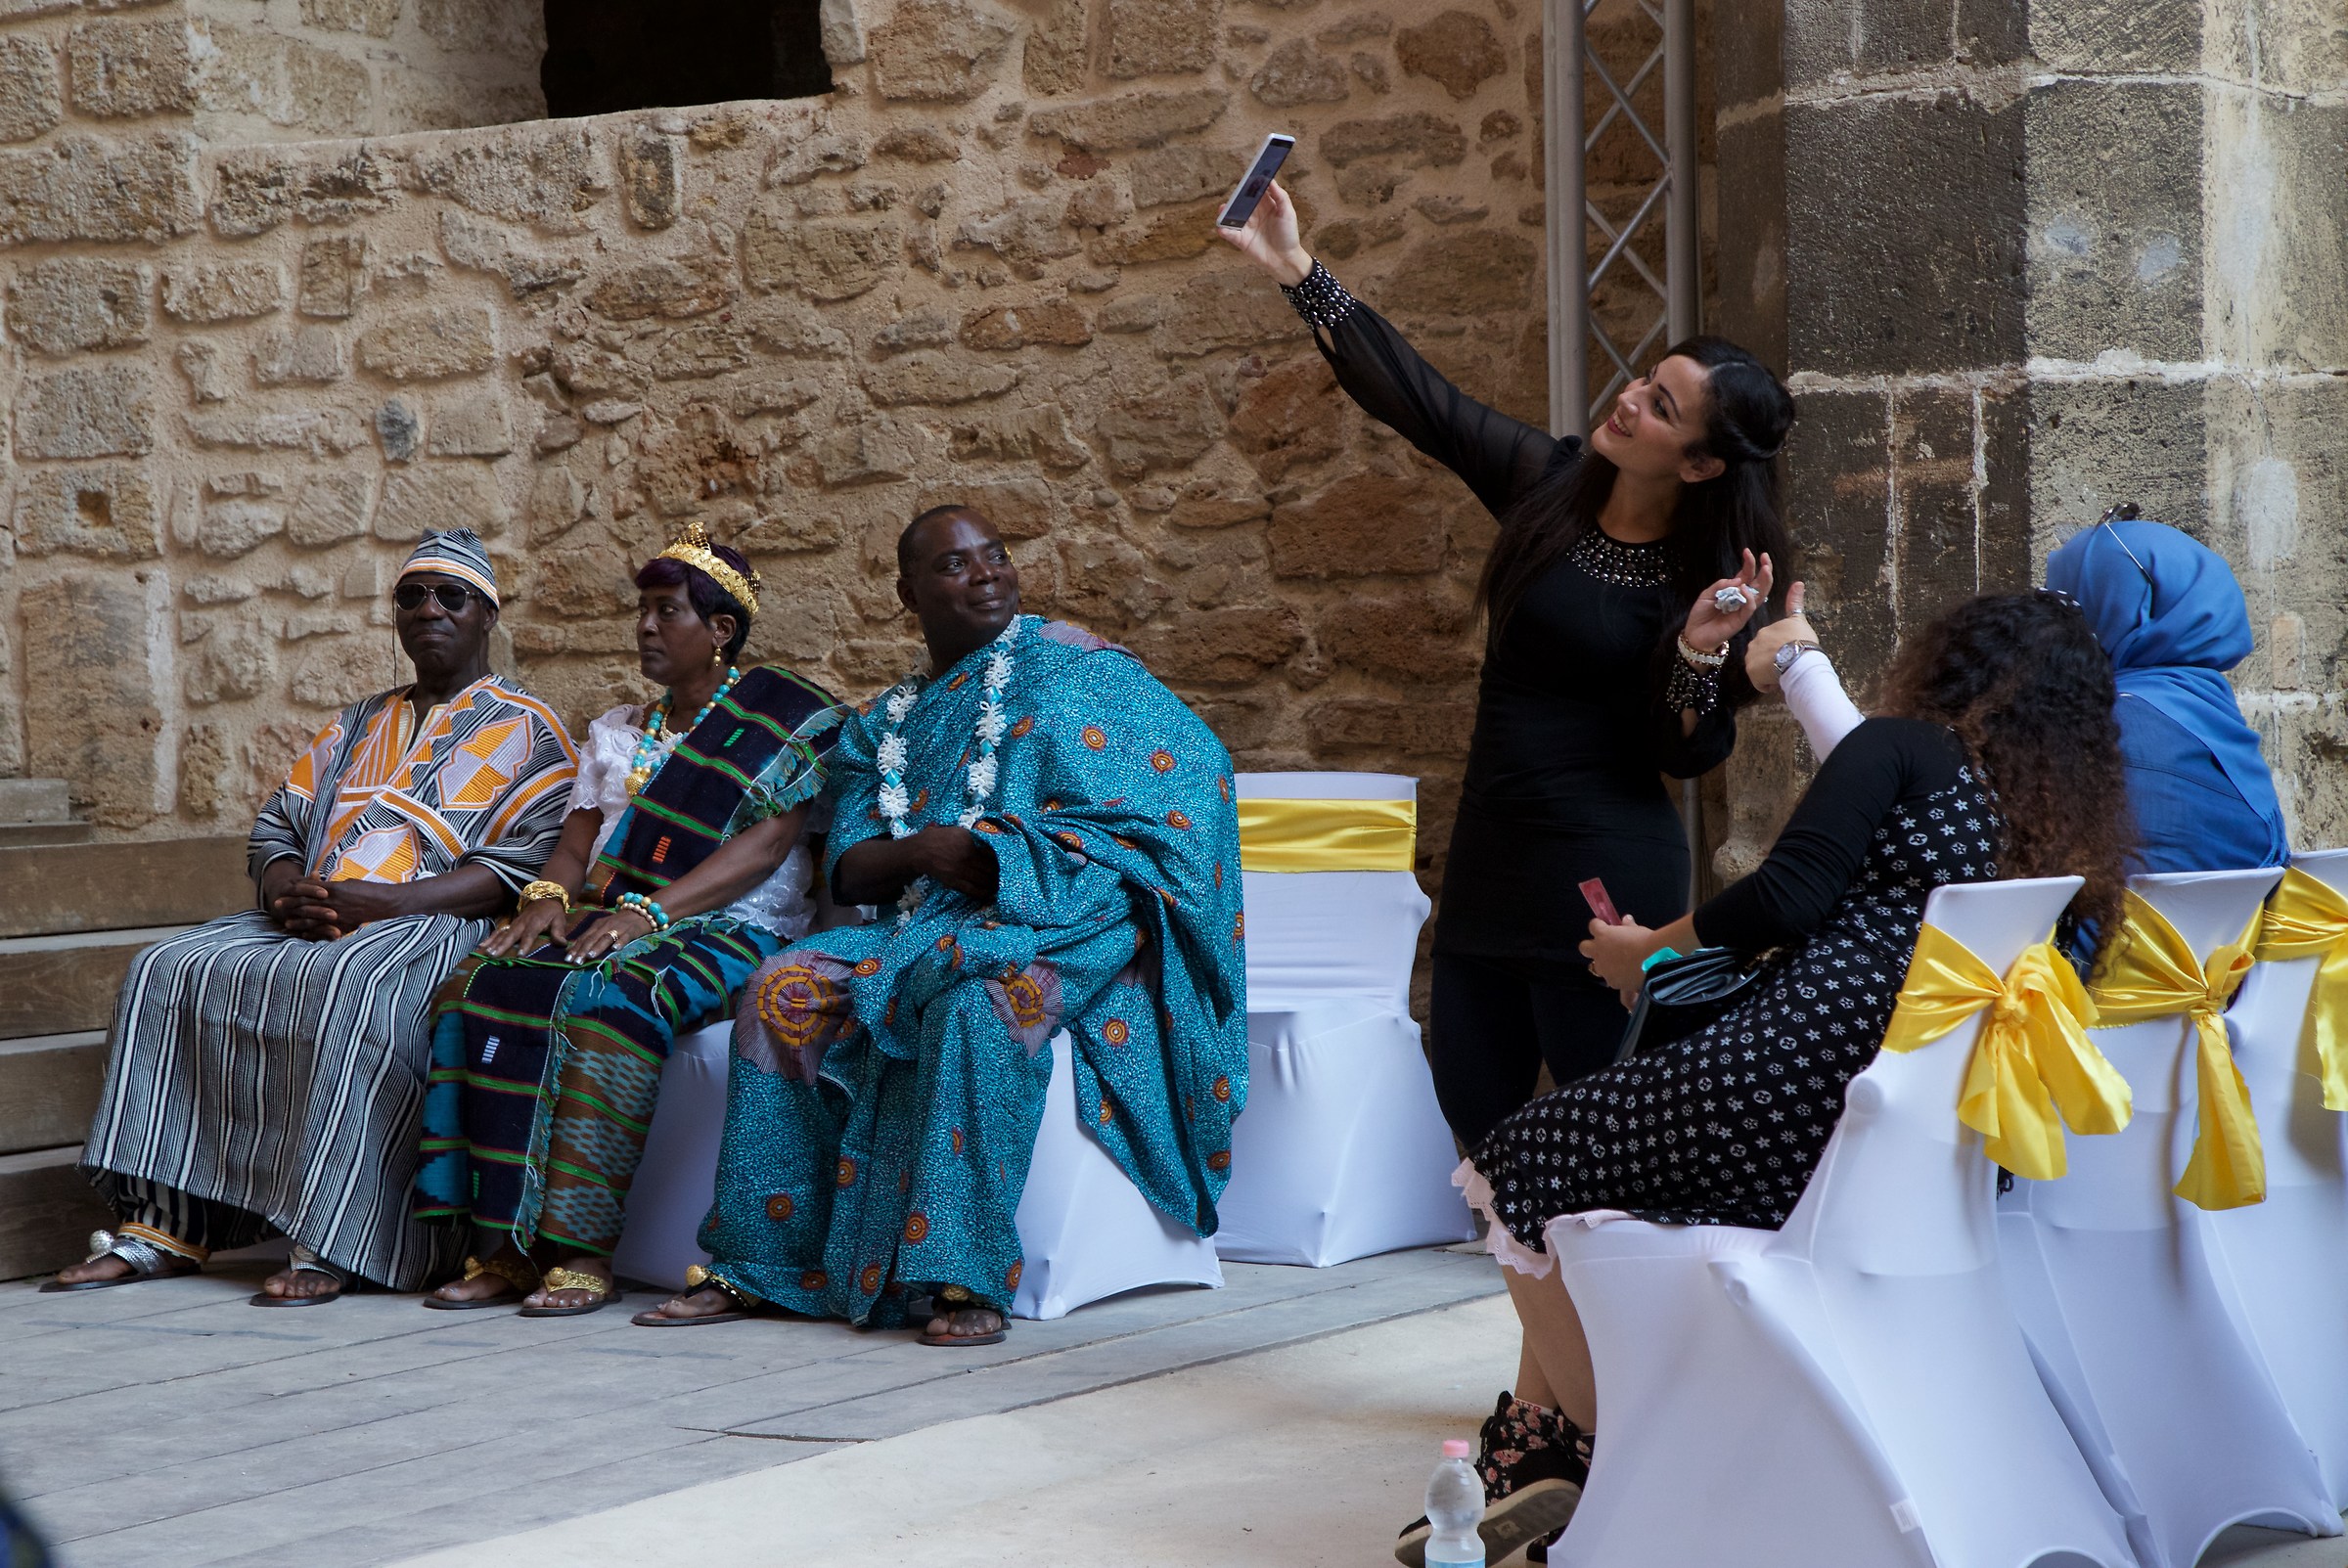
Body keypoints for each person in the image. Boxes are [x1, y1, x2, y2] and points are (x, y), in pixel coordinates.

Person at [1398, 593, 2133, 1564]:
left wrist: (1647, 952)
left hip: (1776, 1093)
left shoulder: (1904, 748)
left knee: (1513, 1160)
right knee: (1571, 1167)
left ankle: (1602, 1454)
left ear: (1947, 666)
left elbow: (1788, 893)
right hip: (1886, 1142)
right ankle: (1532, 1450)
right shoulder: (2050, 829)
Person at [1219, 181, 1798, 1150]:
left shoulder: (1709, 582)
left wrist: (1702, 647)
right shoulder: (1550, 487)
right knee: (1479, 1138)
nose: (1629, 402)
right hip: (1492, 862)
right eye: (1643, 382)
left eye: (1660, 407)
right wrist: (1298, 271)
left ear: (1700, 463)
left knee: (1607, 1154)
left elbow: (1686, 753)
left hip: (1603, 881)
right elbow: (1425, 403)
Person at [631, 505, 1246, 1345]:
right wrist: (924, 850)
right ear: (906, 593)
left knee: (977, 1006)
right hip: (921, 926)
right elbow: (849, 866)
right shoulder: (884, 722)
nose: (987, 573)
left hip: (1066, 924)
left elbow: (1192, 786)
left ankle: (964, 1278)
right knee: (783, 989)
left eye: (995, 556)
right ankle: (761, 1263)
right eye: (956, 566)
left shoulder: (1080, 669)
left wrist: (1008, 857)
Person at [58, 531, 578, 1304]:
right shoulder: (353, 722)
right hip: (313, 914)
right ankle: (165, 1226)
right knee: (167, 970)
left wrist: (391, 903)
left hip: (433, 922)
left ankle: (332, 1242)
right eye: (411, 595)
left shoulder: (533, 729)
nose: (428, 608)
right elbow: (278, 825)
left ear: (486, 615)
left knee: (350, 991)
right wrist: (283, 888)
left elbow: (523, 865)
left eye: (450, 595)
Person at [416, 525, 846, 1315]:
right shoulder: (620, 731)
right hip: (619, 914)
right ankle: (503, 1249)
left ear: (720, 632)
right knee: (480, 988)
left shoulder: (780, 722)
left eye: (667, 611)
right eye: (642, 610)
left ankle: (580, 1252)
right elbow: (575, 845)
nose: (646, 627)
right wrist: (545, 899)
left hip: (733, 924)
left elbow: (765, 847)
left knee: (610, 1006)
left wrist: (650, 912)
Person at [1752, 513, 2287, 876]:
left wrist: (1800, 666)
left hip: (2065, 1005)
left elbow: (1919, 817)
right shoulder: (2221, 726)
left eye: (2071, 603)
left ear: (2121, 610)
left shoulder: (2106, 725)